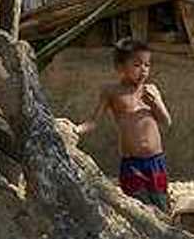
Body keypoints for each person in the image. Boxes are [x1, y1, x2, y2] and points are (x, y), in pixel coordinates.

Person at [68, 38, 173, 212]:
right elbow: (94, 121)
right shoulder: (112, 92)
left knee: (161, 206)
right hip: (132, 163)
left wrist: (157, 103)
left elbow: (166, 122)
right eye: (137, 65)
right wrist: (76, 129)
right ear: (120, 67)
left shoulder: (151, 90)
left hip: (156, 161)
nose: (144, 70)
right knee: (138, 209)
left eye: (147, 65)